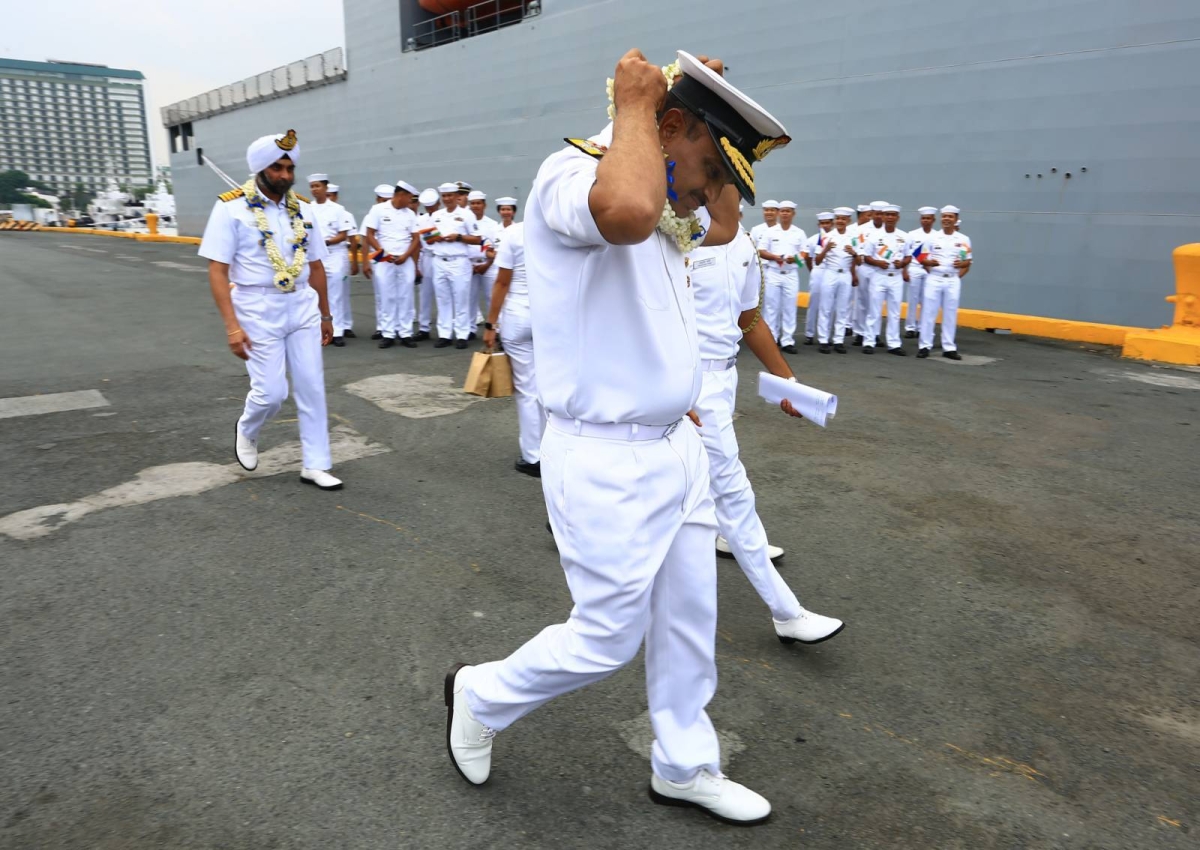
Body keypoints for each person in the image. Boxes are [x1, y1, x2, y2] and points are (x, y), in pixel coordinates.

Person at [446, 49, 790, 825]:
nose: (704, 197)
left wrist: (693, 106)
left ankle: (684, 762)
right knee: (605, 637)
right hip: (604, 456)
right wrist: (639, 106)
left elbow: (674, 269)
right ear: (664, 126)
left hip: (675, 444)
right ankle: (482, 694)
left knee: (689, 620)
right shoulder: (576, 178)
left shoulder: (664, 187)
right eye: (705, 170)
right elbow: (627, 213)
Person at [690, 208, 844, 643]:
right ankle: (786, 613)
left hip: (723, 376)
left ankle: (576, 518)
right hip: (685, 379)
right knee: (731, 489)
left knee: (687, 480)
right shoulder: (672, 225)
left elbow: (748, 319)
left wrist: (787, 383)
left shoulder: (740, 240)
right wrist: (670, 386)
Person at [198, 130, 342, 491]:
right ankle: (247, 427)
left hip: (303, 305)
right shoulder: (231, 207)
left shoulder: (305, 209)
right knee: (272, 393)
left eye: (290, 168)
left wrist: (326, 314)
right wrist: (232, 326)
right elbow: (217, 269)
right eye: (278, 168)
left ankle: (316, 464)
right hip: (257, 306)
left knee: (311, 387)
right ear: (260, 170)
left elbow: (318, 266)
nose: (286, 175)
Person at [482, 201, 543, 477]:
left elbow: (502, 282)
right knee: (550, 386)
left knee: (527, 390)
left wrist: (490, 324)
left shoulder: (514, 234)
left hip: (518, 316)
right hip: (551, 318)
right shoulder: (558, 231)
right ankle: (556, 449)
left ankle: (533, 456)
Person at [362, 181, 421, 348]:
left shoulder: (410, 214)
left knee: (406, 296)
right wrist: (382, 252)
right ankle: (388, 333)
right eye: (409, 197)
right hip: (384, 260)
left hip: (404, 259)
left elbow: (416, 238)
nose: (410, 201)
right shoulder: (378, 210)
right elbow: (370, 234)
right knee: (387, 296)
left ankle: (405, 332)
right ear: (400, 195)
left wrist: (406, 255)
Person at [429, 182, 482, 348]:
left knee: (461, 299)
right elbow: (428, 237)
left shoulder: (466, 215)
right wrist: (434, 238)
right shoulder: (436, 215)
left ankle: (462, 334)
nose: (447, 199)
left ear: (456, 196)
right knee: (442, 299)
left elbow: (477, 239)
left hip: (458, 261)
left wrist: (458, 237)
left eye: (450, 195)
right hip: (439, 260)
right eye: (444, 196)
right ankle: (444, 334)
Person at [918, 205, 972, 360]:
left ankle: (949, 347)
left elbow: (967, 261)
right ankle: (924, 346)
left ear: (955, 219)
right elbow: (920, 257)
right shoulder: (932, 238)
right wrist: (930, 264)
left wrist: (959, 268)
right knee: (929, 312)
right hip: (934, 278)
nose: (946, 219)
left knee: (950, 314)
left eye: (950, 216)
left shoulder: (963, 239)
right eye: (944, 216)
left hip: (952, 279)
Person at [307, 174, 352, 347]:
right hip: (314, 255)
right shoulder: (307, 208)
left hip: (333, 254)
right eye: (312, 186)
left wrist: (325, 242)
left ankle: (338, 330)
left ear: (326, 188)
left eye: (317, 186)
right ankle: (318, 329)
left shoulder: (338, 209)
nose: (314, 189)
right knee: (315, 293)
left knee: (335, 294)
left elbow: (343, 234)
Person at [757, 200, 806, 353]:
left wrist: (795, 259)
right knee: (771, 307)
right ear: (779, 213)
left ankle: (787, 340)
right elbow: (761, 250)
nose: (785, 213)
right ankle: (772, 339)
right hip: (774, 273)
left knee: (790, 308)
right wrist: (774, 257)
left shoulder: (799, 232)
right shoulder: (770, 232)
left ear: (793, 214)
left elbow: (804, 253)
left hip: (790, 273)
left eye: (788, 211)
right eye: (783, 211)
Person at [861, 203, 910, 355]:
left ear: (898, 218)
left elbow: (909, 256)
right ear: (882, 216)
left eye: (893, 215)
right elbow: (866, 257)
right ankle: (869, 341)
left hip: (895, 278)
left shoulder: (904, 236)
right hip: (879, 276)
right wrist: (877, 262)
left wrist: (902, 263)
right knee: (874, 310)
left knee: (894, 312)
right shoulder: (873, 236)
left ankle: (894, 343)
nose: (889, 217)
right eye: (887, 215)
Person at [815, 207, 858, 354]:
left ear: (848, 221)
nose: (840, 221)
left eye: (843, 219)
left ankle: (838, 340)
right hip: (830, 273)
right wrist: (826, 249)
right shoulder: (826, 236)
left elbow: (859, 261)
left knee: (842, 308)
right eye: (838, 218)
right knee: (826, 307)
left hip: (845, 274)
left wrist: (854, 253)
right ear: (835, 221)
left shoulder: (854, 237)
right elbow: (818, 261)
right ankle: (823, 340)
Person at [326, 184, 360, 341]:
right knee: (325, 294)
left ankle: (344, 325)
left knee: (341, 294)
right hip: (322, 256)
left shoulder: (344, 213)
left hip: (339, 254)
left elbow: (352, 239)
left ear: (336, 196)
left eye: (331, 195)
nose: (329, 198)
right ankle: (328, 326)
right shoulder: (315, 210)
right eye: (327, 195)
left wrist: (353, 261)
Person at [362, 184, 394, 340]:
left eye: (388, 199)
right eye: (382, 199)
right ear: (377, 199)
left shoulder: (394, 213)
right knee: (380, 294)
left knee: (393, 294)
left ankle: (393, 326)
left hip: (393, 257)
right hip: (378, 256)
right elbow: (366, 238)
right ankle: (381, 327)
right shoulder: (371, 215)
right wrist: (365, 262)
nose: (385, 202)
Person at [467, 190, 501, 329]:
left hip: (489, 265)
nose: (475, 206)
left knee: (492, 298)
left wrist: (487, 264)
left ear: (484, 205)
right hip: (469, 266)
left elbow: (495, 247)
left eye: (478, 203)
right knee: (470, 299)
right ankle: (469, 329)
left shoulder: (492, 225)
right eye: (473, 203)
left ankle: (496, 329)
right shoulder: (465, 223)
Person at [904, 206, 937, 338]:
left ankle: (922, 326)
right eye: (923, 218)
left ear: (933, 220)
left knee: (926, 299)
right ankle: (910, 327)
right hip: (915, 268)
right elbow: (907, 253)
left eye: (928, 218)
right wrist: (904, 271)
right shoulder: (912, 234)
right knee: (913, 299)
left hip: (930, 271)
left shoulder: (937, 235)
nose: (925, 221)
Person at [801, 211, 833, 345]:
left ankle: (826, 334)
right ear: (818, 224)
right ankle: (809, 333)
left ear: (832, 224)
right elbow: (807, 258)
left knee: (830, 305)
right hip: (818, 271)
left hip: (831, 271)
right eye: (822, 223)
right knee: (814, 303)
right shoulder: (813, 239)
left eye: (827, 223)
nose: (825, 225)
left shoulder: (835, 238)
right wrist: (813, 271)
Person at [414, 189, 441, 341]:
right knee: (424, 293)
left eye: (433, 207)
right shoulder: (421, 220)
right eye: (428, 208)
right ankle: (424, 327)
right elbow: (420, 242)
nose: (430, 210)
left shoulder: (445, 217)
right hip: (426, 257)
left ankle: (449, 328)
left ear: (438, 204)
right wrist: (416, 265)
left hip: (441, 256)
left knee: (446, 294)